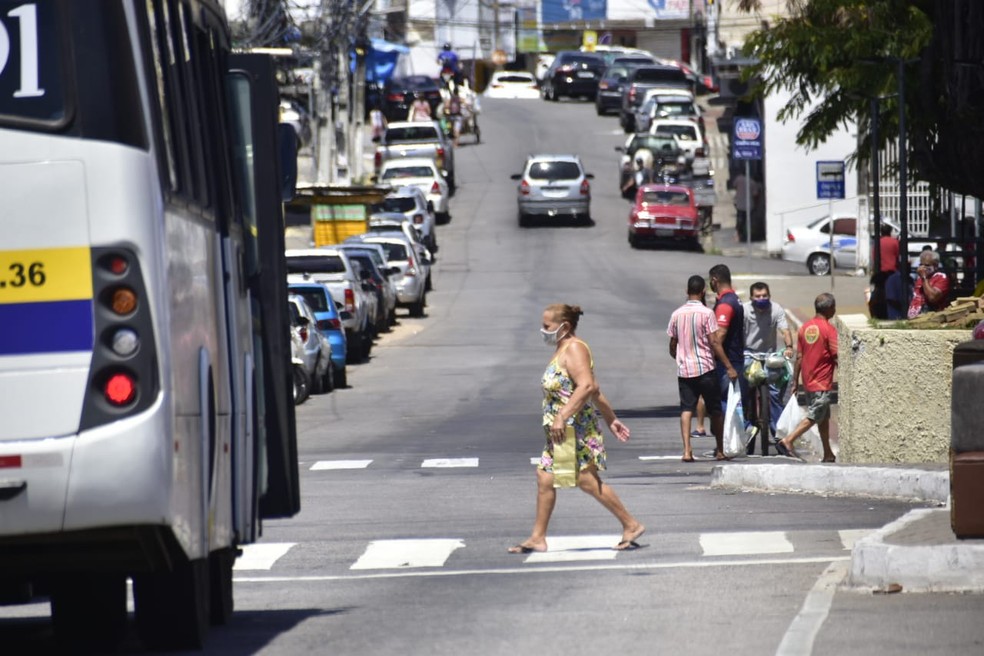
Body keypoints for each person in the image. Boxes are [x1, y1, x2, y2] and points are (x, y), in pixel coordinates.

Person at [508, 304, 645, 554]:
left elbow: (586, 386)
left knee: (586, 480)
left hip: (574, 430)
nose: (543, 331)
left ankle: (631, 523)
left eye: (547, 326)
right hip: (561, 432)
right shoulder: (563, 349)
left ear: (565, 327)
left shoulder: (574, 349)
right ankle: (538, 537)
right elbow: (595, 390)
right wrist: (611, 418)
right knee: (546, 478)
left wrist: (562, 416)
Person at [667, 276, 732, 462]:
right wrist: (727, 365)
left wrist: (679, 357)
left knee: (687, 409)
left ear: (686, 291)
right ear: (703, 292)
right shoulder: (707, 314)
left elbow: (672, 343)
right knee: (716, 411)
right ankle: (720, 450)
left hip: (685, 370)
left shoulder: (676, 314)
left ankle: (687, 451)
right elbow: (714, 341)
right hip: (706, 368)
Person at [776, 293, 838, 463]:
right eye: (834, 307)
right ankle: (788, 440)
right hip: (822, 382)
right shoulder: (829, 329)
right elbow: (837, 355)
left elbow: (799, 357)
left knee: (823, 418)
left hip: (808, 381)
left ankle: (827, 453)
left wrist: (795, 381)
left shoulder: (804, 328)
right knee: (816, 414)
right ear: (829, 309)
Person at [743, 282, 795, 443]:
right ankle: (746, 426)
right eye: (758, 296)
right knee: (743, 391)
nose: (761, 299)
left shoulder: (776, 309)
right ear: (751, 297)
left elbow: (785, 330)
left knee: (775, 392)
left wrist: (789, 346)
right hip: (748, 354)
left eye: (765, 296)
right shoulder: (743, 310)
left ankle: (779, 434)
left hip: (769, 355)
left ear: (769, 296)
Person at [708, 264, 744, 413]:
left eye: (710, 281)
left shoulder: (725, 304)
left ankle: (740, 430)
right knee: (734, 401)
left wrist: (726, 365)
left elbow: (718, 338)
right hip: (735, 359)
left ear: (715, 280)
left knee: (723, 402)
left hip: (727, 362)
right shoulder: (735, 299)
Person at [907, 249, 951, 318]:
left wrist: (924, 278)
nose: (922, 268)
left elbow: (932, 297)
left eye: (926, 265)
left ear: (935, 266)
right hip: (914, 317)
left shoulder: (941, 277)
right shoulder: (919, 279)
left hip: (930, 318)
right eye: (921, 265)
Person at [869, 223, 899, 319]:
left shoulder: (877, 242)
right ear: (890, 232)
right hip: (892, 273)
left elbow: (874, 258)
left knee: (878, 294)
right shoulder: (894, 242)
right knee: (892, 295)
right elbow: (898, 256)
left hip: (880, 274)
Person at [732, 171, 762, 242]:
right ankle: (746, 235)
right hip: (749, 205)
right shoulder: (752, 183)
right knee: (748, 221)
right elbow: (755, 195)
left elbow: (734, 186)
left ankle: (739, 234)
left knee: (739, 220)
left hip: (739, 204)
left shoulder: (739, 179)